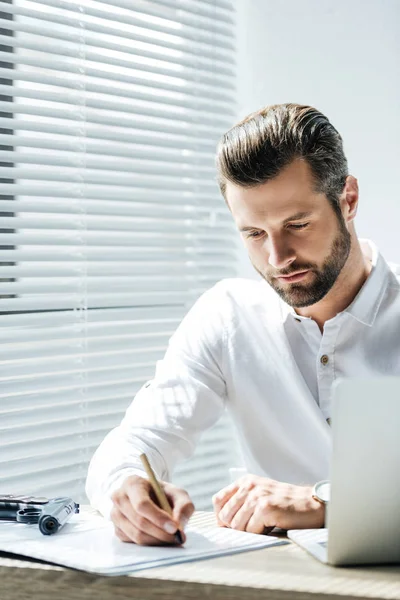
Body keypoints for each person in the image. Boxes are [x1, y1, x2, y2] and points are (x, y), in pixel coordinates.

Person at [86, 103, 400, 546]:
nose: (278, 258)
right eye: (253, 233)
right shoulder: (228, 316)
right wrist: (126, 488)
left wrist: (326, 502)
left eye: (298, 224)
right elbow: (137, 440)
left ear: (348, 199)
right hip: (270, 581)